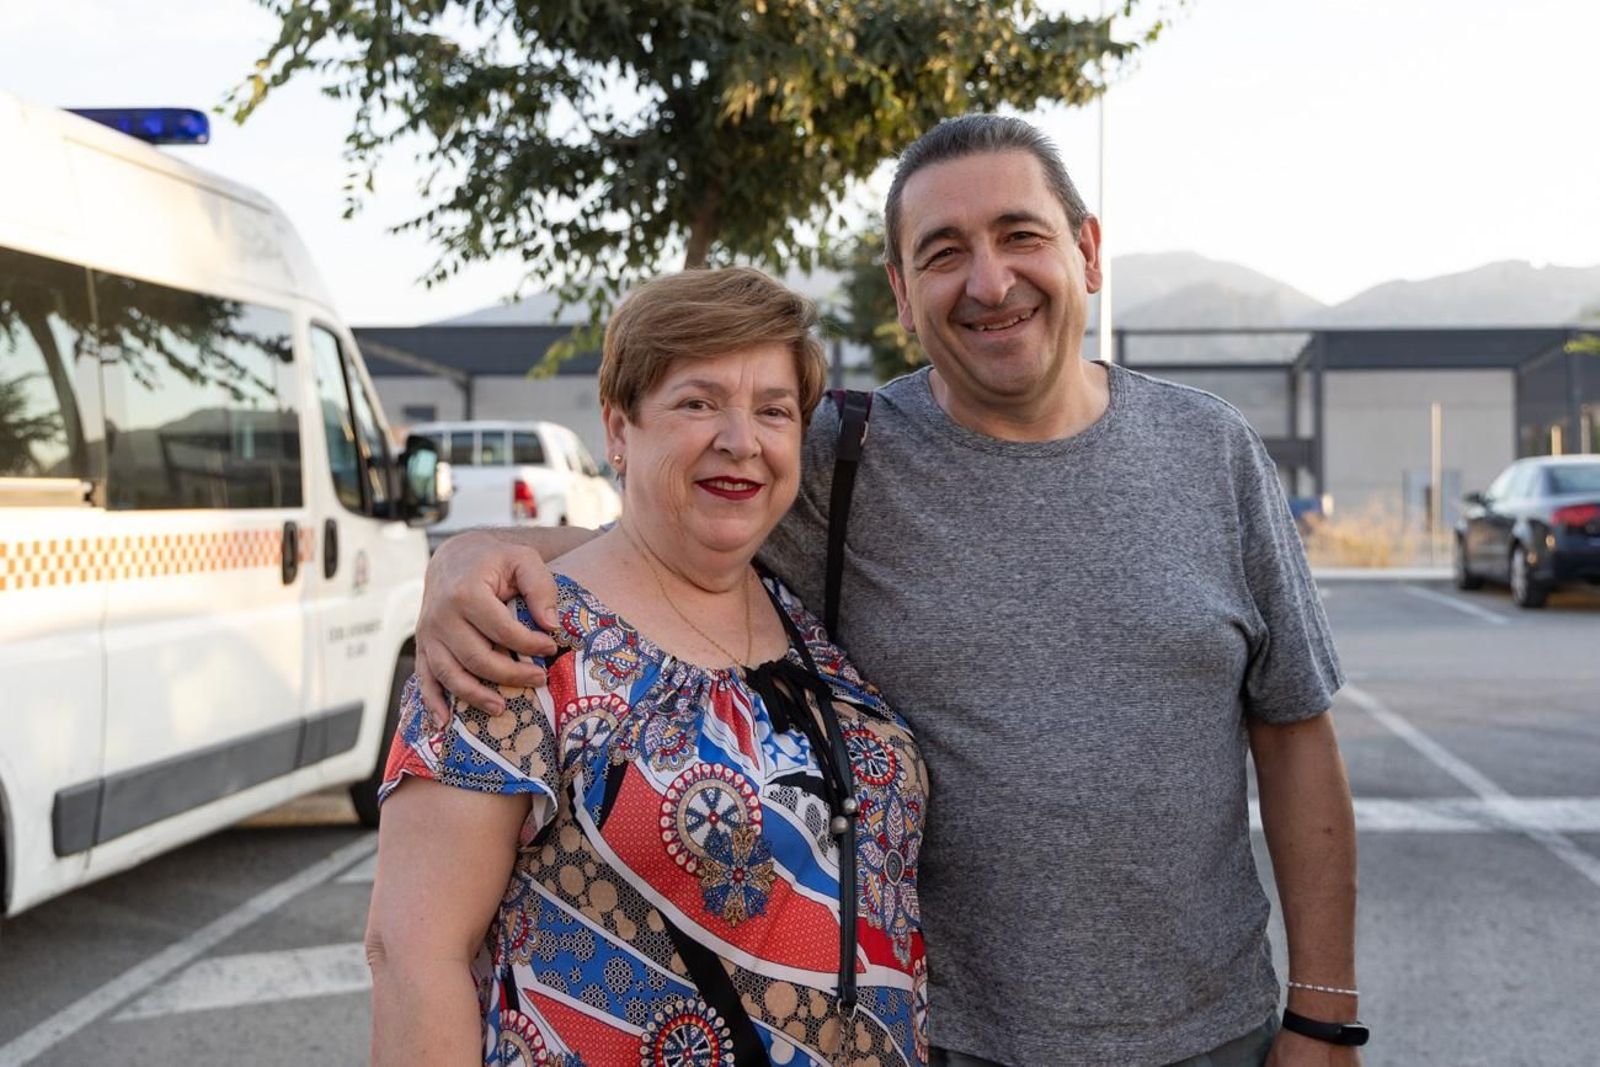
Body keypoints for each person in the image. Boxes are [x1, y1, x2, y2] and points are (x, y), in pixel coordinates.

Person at [414, 116, 1362, 1067]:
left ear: (1088, 251)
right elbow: (659, 528)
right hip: (947, 1043)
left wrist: (1324, 1012)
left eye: (1020, 236)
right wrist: (470, 556)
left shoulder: (1213, 451)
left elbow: (1293, 731)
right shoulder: (842, 458)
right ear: (903, 297)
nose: (990, 282)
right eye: (944, 254)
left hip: (1215, 1036)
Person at [365, 268, 930, 1066]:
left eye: (772, 409)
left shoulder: (806, 621)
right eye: (698, 402)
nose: (741, 439)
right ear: (619, 430)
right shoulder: (518, 641)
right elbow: (414, 955)